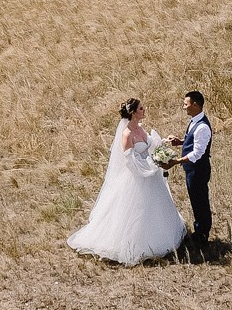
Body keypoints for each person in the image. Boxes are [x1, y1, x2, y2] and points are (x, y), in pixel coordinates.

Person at [67, 97, 187, 264]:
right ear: (133, 113)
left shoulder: (140, 128)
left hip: (151, 174)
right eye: (141, 108)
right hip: (137, 177)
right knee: (137, 210)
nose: (144, 110)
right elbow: (130, 162)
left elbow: (150, 146)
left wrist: (163, 147)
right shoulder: (127, 134)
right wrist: (151, 164)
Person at [179, 89, 213, 251]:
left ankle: (202, 234)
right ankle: (199, 230)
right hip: (192, 170)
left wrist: (177, 161)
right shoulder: (195, 121)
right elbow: (192, 141)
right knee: (195, 200)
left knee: (200, 201)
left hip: (198, 170)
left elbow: (198, 153)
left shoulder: (202, 127)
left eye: (186, 104)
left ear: (195, 105)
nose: (183, 107)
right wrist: (180, 142)